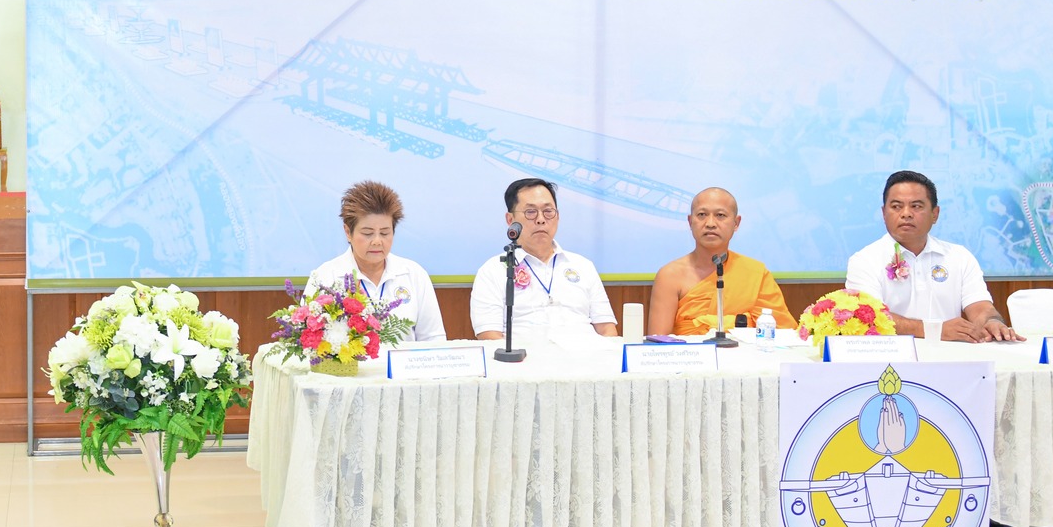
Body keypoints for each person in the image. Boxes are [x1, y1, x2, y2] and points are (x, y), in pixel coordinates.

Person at [844, 170, 1021, 342]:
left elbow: (980, 307)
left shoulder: (958, 256)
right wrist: (935, 330)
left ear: (935, 214)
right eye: (896, 206)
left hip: (950, 361)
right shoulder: (864, 260)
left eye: (916, 206)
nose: (906, 213)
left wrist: (992, 322)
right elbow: (869, 316)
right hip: (893, 362)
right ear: (884, 213)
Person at [470, 177, 617, 343]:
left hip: (587, 362)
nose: (541, 219)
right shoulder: (493, 271)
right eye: (530, 212)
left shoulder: (583, 266)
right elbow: (489, 337)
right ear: (510, 220)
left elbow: (606, 329)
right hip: (523, 365)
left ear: (558, 216)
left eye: (548, 211)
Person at [305, 180, 445, 342]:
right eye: (367, 233)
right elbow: (309, 340)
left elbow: (433, 338)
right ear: (348, 232)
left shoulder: (413, 274)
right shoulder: (325, 276)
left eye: (385, 233)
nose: (377, 241)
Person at [647, 187, 795, 336]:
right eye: (702, 215)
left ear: (736, 223)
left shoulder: (755, 273)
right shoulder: (670, 275)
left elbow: (783, 334)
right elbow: (658, 343)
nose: (710, 223)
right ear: (690, 221)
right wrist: (743, 321)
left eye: (720, 215)